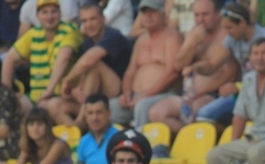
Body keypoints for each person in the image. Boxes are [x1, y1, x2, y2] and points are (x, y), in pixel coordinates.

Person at [146, 0, 235, 134]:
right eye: (197, 15)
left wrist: (199, 92)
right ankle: (188, 137)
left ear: (218, 14)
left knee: (194, 113)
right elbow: (178, 65)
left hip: (213, 94)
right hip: (189, 94)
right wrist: (192, 43)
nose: (200, 19)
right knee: (156, 113)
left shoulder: (227, 35)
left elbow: (228, 73)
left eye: (205, 14)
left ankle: (210, 136)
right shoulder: (194, 33)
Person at [48, 1, 130, 126]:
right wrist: (75, 90)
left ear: (103, 19)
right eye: (84, 21)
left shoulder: (113, 36)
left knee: (94, 64)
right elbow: (82, 75)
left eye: (93, 19)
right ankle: (72, 132)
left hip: (117, 92)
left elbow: (87, 62)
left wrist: (67, 79)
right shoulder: (87, 43)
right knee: (53, 105)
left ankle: (80, 122)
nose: (89, 24)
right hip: (93, 97)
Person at [110, 0, 181, 129]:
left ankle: (140, 141)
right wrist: (126, 94)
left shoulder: (172, 37)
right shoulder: (141, 41)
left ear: (163, 14)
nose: (148, 16)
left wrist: (145, 96)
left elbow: (172, 73)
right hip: (135, 96)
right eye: (144, 12)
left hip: (162, 95)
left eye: (152, 12)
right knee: (106, 109)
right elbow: (130, 72)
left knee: (142, 106)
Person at [2, 0, 83, 107]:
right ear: (37, 16)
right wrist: (8, 93)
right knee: (15, 105)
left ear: (60, 14)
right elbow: (9, 59)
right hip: (36, 97)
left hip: (62, 95)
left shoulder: (70, 29)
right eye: (45, 12)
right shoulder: (34, 33)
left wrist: (49, 90)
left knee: (49, 105)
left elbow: (64, 57)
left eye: (53, 12)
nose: (50, 17)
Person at [0, 105, 73, 164]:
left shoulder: (58, 145)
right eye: (31, 124)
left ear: (47, 127)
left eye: (40, 124)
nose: (35, 129)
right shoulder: (28, 146)